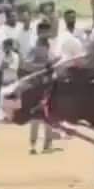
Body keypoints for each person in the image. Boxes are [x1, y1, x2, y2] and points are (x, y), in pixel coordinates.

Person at [21, 21, 61, 154]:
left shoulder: (51, 46)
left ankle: (47, 144)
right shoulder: (34, 47)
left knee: (49, 114)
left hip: (49, 84)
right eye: (43, 31)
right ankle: (33, 144)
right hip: (36, 85)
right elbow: (26, 65)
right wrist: (44, 67)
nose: (46, 34)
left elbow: (55, 62)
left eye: (47, 31)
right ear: (38, 32)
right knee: (35, 116)